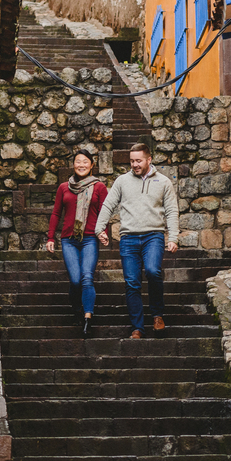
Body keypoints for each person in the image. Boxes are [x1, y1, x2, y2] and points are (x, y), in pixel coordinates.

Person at [94, 143, 179, 338]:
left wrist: (173, 237)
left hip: (153, 236)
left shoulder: (164, 182)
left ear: (149, 160)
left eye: (138, 160)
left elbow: (172, 211)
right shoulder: (122, 181)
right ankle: (137, 327)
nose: (135, 164)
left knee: (152, 271)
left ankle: (157, 315)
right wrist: (100, 228)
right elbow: (108, 205)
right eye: (132, 161)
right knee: (132, 282)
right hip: (128, 238)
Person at [46, 150, 108, 338]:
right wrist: (50, 238)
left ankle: (88, 318)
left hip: (90, 238)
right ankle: (76, 308)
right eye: (78, 162)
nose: (81, 165)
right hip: (69, 240)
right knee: (75, 279)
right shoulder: (64, 187)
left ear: (91, 165)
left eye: (85, 162)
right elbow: (56, 213)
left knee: (87, 277)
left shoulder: (99, 187)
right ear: (73, 165)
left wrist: (103, 232)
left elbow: (105, 213)